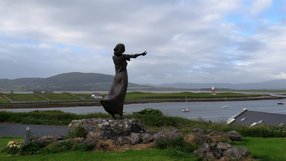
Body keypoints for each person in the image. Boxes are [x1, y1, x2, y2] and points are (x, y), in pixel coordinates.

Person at [100, 43, 147, 118]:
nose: (124, 50)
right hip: (123, 76)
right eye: (123, 49)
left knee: (113, 92)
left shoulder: (114, 57)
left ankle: (112, 109)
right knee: (121, 94)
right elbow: (133, 55)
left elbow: (130, 55)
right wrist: (141, 54)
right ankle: (119, 112)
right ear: (120, 49)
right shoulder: (122, 57)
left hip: (117, 77)